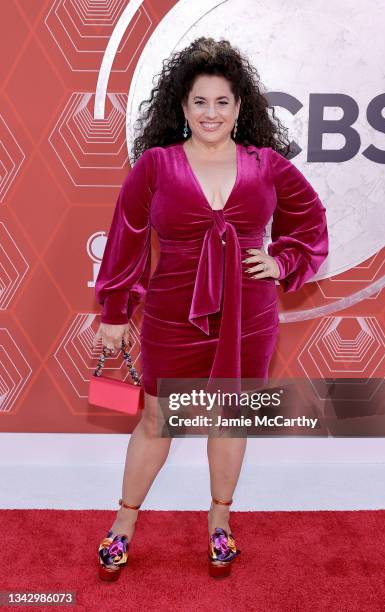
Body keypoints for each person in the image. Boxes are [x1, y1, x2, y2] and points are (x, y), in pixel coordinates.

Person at [93, 37, 329, 581]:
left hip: (249, 313)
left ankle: (220, 523)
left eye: (222, 102)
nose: (211, 113)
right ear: (182, 106)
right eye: (200, 102)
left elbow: (312, 223)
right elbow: (125, 240)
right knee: (158, 418)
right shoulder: (156, 166)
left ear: (240, 107)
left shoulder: (265, 164)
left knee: (230, 417)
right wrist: (113, 312)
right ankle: (123, 524)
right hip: (173, 309)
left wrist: (283, 260)